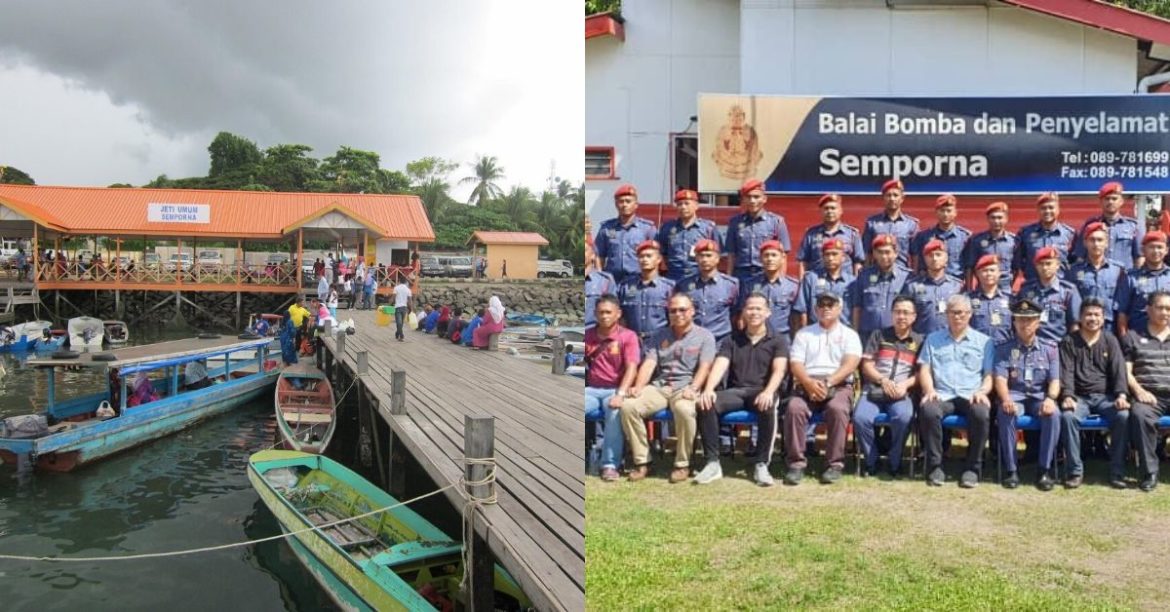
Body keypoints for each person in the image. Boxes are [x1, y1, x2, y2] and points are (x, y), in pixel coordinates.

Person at [620, 293, 716, 483]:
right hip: (660, 386)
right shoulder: (659, 335)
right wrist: (638, 386)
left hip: (685, 387)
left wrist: (694, 388)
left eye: (682, 310)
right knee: (628, 406)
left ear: (692, 311)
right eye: (673, 310)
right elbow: (649, 364)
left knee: (684, 410)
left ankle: (683, 464)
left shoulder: (705, 336)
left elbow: (705, 367)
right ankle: (643, 461)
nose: (678, 314)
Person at [696, 292, 789, 486]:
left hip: (762, 391)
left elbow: (779, 371)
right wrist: (708, 389)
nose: (754, 312)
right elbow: (720, 365)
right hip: (737, 392)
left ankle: (762, 464)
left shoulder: (778, 340)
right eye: (750, 308)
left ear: (768, 313)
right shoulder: (732, 339)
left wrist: (769, 391)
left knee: (767, 404)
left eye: (758, 308)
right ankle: (712, 463)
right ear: (743, 312)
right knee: (706, 404)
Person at [918, 294, 995, 488]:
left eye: (961, 313)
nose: (957, 316)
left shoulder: (984, 342)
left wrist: (983, 391)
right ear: (946, 314)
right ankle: (935, 466)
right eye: (953, 312)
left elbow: (988, 375)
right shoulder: (933, 339)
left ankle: (972, 468)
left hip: (971, 394)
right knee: (928, 410)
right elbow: (925, 369)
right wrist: (929, 390)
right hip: (942, 394)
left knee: (981, 413)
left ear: (969, 314)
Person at [784, 291, 860, 485]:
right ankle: (796, 464)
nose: (826, 308)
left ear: (839, 308)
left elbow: (851, 364)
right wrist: (809, 383)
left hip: (839, 385)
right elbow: (796, 364)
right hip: (807, 383)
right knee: (794, 408)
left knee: (837, 409)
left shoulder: (849, 334)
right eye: (822, 304)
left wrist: (827, 383)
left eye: (831, 304)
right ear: (816, 309)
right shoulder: (804, 333)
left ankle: (834, 464)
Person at [1058, 298, 1130, 489]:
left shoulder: (1110, 340)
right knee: (1068, 417)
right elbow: (1066, 372)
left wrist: (1121, 395)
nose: (1092, 318)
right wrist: (1067, 396)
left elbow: (1118, 371)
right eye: (1088, 314)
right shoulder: (1069, 341)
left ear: (1103, 318)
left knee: (1122, 416)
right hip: (1079, 398)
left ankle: (1117, 472)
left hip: (1105, 398)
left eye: (1097, 315)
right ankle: (1074, 471)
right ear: (1080, 318)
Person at [995, 299, 1061, 491]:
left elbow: (1055, 380)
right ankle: (1011, 470)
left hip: (1039, 397)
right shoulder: (1004, 348)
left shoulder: (1050, 348)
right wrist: (1006, 399)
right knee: (1005, 412)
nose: (1025, 324)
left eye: (1030, 320)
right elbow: (1000, 378)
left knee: (1053, 414)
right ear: (1014, 322)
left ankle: (1044, 470)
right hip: (1015, 395)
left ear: (1038, 322)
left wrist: (1050, 399)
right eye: (1020, 320)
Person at [853, 295, 922, 478]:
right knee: (861, 419)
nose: (901, 316)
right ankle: (871, 460)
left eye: (906, 313)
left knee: (904, 417)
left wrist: (905, 385)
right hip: (874, 390)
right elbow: (866, 365)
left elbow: (921, 373)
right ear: (892, 314)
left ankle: (895, 461)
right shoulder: (879, 335)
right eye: (898, 312)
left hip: (901, 393)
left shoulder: (920, 341)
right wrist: (883, 381)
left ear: (914, 316)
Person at [586, 295, 641, 481]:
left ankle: (609, 465)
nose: (604, 316)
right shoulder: (588, 335)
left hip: (615, 389)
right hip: (591, 389)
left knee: (615, 412)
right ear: (594, 314)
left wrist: (621, 393)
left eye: (608, 312)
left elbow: (632, 367)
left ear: (618, 314)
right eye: (600, 312)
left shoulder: (628, 336)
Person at [1121, 290, 1170, 492]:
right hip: (1149, 396)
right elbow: (1126, 371)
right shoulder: (1132, 337)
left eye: (1169, 309)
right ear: (1148, 310)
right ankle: (1150, 472)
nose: (1165, 312)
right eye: (1160, 308)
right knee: (1140, 415)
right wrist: (1139, 391)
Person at [1065, 221, 1128, 332]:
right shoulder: (1074, 271)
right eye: (1092, 240)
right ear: (1085, 243)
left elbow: (1123, 303)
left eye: (1100, 240)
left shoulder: (1118, 270)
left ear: (1107, 243)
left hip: (1110, 328)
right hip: (1083, 327)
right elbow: (1069, 301)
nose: (1096, 244)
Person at [725, 178, 791, 281]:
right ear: (743, 200)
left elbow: (783, 255)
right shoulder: (735, 223)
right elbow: (731, 255)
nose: (752, 201)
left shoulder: (777, 222)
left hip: (766, 274)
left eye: (756, 197)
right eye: (748, 197)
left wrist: (780, 281)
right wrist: (729, 280)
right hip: (741, 276)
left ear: (764, 199)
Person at [674, 239, 739, 343]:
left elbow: (736, 314)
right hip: (691, 341)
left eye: (709, 256)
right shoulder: (684, 285)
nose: (704, 259)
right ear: (696, 259)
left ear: (717, 258)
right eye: (701, 256)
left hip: (720, 341)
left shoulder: (731, 285)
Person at [851, 234, 910, 341]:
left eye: (887, 252)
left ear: (896, 253)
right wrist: (855, 333)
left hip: (895, 337)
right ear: (874, 254)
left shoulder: (907, 277)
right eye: (880, 252)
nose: (884, 256)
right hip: (867, 336)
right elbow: (857, 307)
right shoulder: (864, 276)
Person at [1017, 246, 1081, 345]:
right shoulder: (1026, 290)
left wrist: (1071, 349)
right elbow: (1018, 320)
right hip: (1032, 347)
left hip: (1058, 347)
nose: (1045, 267)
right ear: (1036, 266)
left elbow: (1075, 325)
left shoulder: (1068, 291)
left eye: (1048, 263)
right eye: (1041, 264)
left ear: (1057, 265)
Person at [594, 184, 657, 283]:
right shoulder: (607, 228)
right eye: (621, 201)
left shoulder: (647, 229)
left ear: (636, 205)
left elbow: (656, 256)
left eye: (628, 201)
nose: (624, 205)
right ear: (616, 204)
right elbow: (599, 255)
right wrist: (600, 278)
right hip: (612, 281)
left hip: (637, 281)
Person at [1072, 181, 1143, 269]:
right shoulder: (1090, 225)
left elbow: (1139, 257)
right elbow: (1080, 256)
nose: (1110, 202)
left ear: (1121, 201)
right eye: (1107, 199)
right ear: (1101, 202)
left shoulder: (1133, 226)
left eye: (1114, 199)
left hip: (1124, 278)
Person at [900, 239, 963, 336]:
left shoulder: (957, 286)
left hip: (949, 341)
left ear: (946, 258)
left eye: (938, 255)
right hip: (921, 342)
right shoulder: (912, 286)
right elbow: (904, 314)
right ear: (925, 259)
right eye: (930, 255)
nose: (934, 259)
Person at [658, 189, 722, 281]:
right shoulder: (667, 228)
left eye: (687, 203)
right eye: (679, 204)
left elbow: (717, 254)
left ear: (696, 206)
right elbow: (662, 253)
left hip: (699, 277)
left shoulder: (708, 228)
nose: (683, 207)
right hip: (674, 277)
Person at [618, 240, 675, 342]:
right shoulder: (625, 286)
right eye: (641, 256)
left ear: (659, 259)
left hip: (659, 341)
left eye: (649, 256)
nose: (644, 259)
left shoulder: (669, 288)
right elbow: (621, 317)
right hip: (631, 342)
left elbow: (674, 320)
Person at [1014, 192, 1075, 284]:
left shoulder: (1069, 234)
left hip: (1061, 289)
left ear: (1058, 209)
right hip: (1033, 287)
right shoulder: (1025, 233)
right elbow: (1018, 261)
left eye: (1051, 207)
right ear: (1038, 210)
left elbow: (1074, 262)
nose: (1047, 211)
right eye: (1043, 208)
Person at [740, 240, 798, 337]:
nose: (770, 259)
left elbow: (796, 319)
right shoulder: (749, 284)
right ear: (760, 259)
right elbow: (742, 317)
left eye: (774, 255)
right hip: (755, 338)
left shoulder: (793, 286)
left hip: (782, 339)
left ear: (782, 258)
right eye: (766, 255)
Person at [793, 238, 854, 329]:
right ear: (822, 257)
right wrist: (804, 332)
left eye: (834, 254)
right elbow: (802, 310)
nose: (830, 258)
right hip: (816, 332)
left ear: (843, 257)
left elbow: (857, 310)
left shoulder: (852, 282)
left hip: (843, 333)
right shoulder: (811, 278)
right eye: (827, 254)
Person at [1118, 231, 1170, 336]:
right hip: (1139, 337)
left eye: (1159, 247)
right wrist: (1125, 340)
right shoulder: (1131, 277)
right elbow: (1122, 313)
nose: (1156, 251)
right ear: (1143, 250)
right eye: (1151, 247)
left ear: (1166, 250)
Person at [862, 179, 918, 270]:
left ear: (902, 198)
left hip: (902, 276)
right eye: (888, 195)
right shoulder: (872, 223)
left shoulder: (911, 225)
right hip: (877, 273)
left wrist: (915, 276)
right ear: (883, 198)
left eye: (895, 195)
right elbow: (866, 253)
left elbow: (915, 255)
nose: (892, 198)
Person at [962, 201, 1018, 293]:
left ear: (1006, 219)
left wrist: (1009, 286)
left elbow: (1016, 268)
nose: (996, 221)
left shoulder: (1014, 241)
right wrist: (969, 289)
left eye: (1000, 218)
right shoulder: (977, 240)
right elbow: (969, 267)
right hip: (982, 288)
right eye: (993, 218)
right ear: (988, 219)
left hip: (1005, 289)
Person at [910, 194, 970, 277]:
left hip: (956, 283)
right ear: (936, 212)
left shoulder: (965, 237)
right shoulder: (923, 236)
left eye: (949, 211)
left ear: (955, 213)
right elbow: (916, 263)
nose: (945, 214)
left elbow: (968, 266)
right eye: (942, 210)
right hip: (929, 283)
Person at [966, 255, 1014, 346]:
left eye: (992, 270)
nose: (989, 274)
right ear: (977, 274)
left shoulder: (1010, 299)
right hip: (978, 350)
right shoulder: (968, 299)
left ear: (999, 273)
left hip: (1003, 351)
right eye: (984, 271)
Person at [585, 243, 616, 328]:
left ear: (593, 255)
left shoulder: (605, 281)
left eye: (585, 250)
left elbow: (612, 312)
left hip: (594, 334)